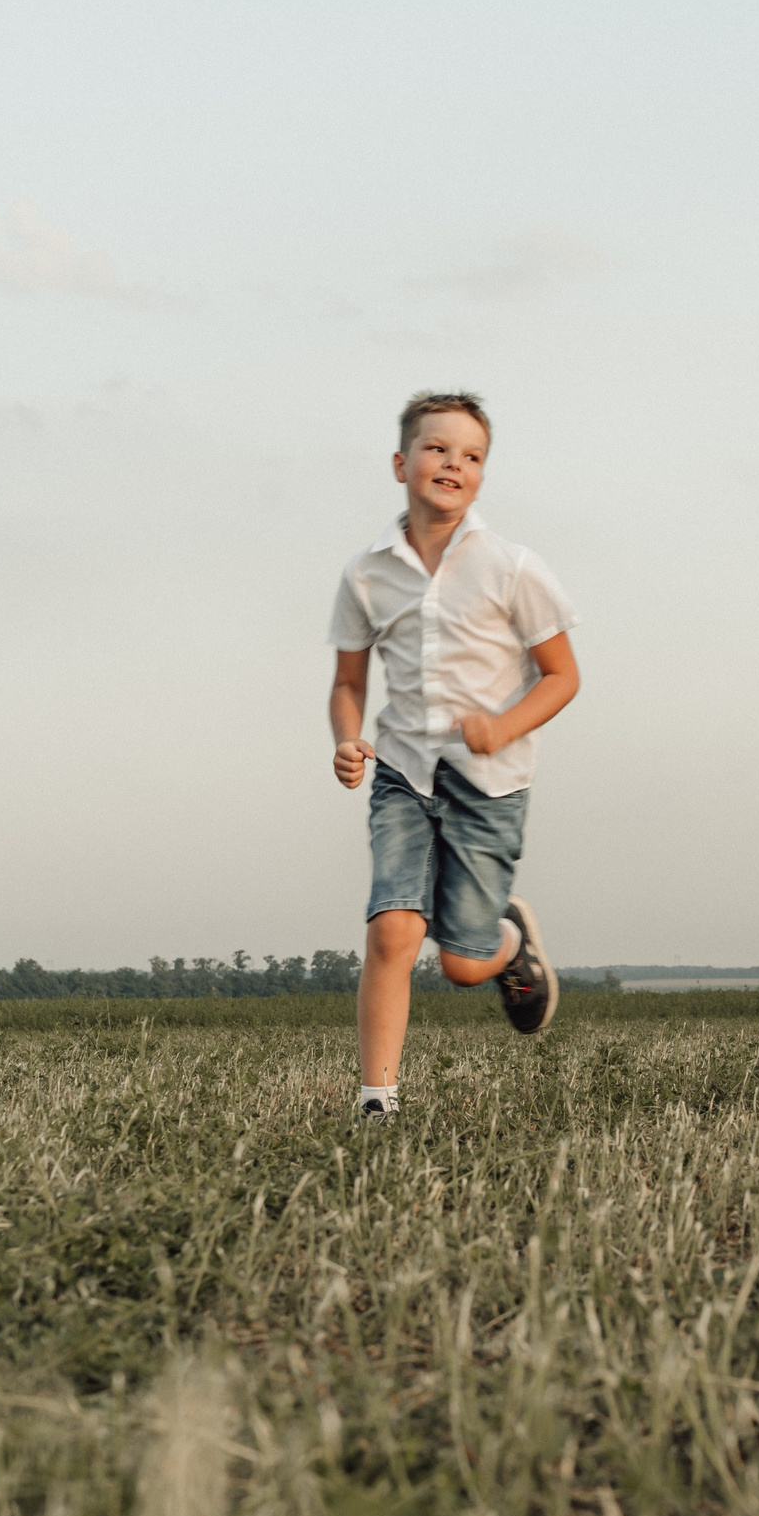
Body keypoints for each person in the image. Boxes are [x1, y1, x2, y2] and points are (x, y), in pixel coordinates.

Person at [327, 392, 581, 1117]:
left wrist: (501, 726)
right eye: (437, 448)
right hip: (403, 772)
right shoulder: (366, 574)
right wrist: (347, 737)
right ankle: (377, 1103)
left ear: (482, 475)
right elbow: (349, 683)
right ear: (401, 462)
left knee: (463, 965)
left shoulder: (513, 567)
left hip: (488, 782)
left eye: (471, 456)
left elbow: (562, 676)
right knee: (392, 929)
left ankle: (507, 942)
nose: (453, 464)